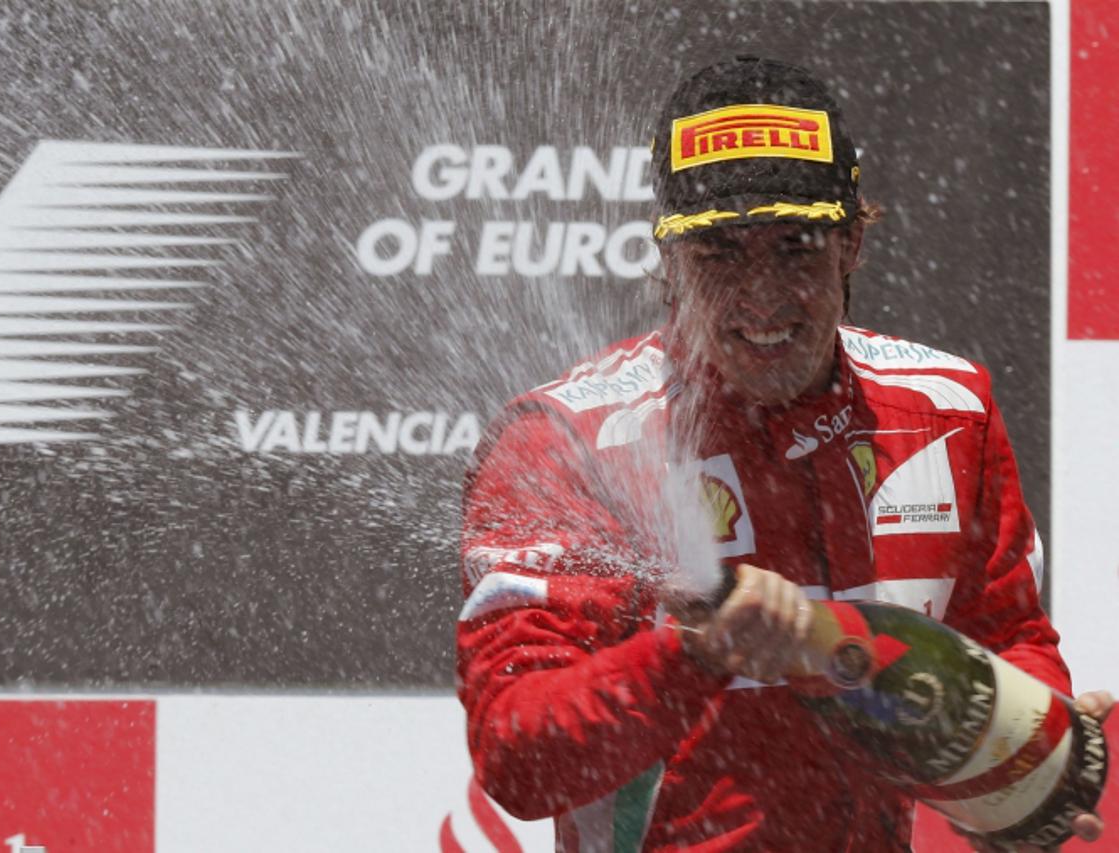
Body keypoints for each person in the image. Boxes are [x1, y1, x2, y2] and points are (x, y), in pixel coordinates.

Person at [455, 56, 1112, 852]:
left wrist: (1019, 770)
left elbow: (1007, 636)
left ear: (853, 244)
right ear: (667, 261)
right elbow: (517, 759)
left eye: (796, 245)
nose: (761, 295)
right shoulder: (564, 443)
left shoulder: (947, 409)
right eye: (720, 252)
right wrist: (690, 656)